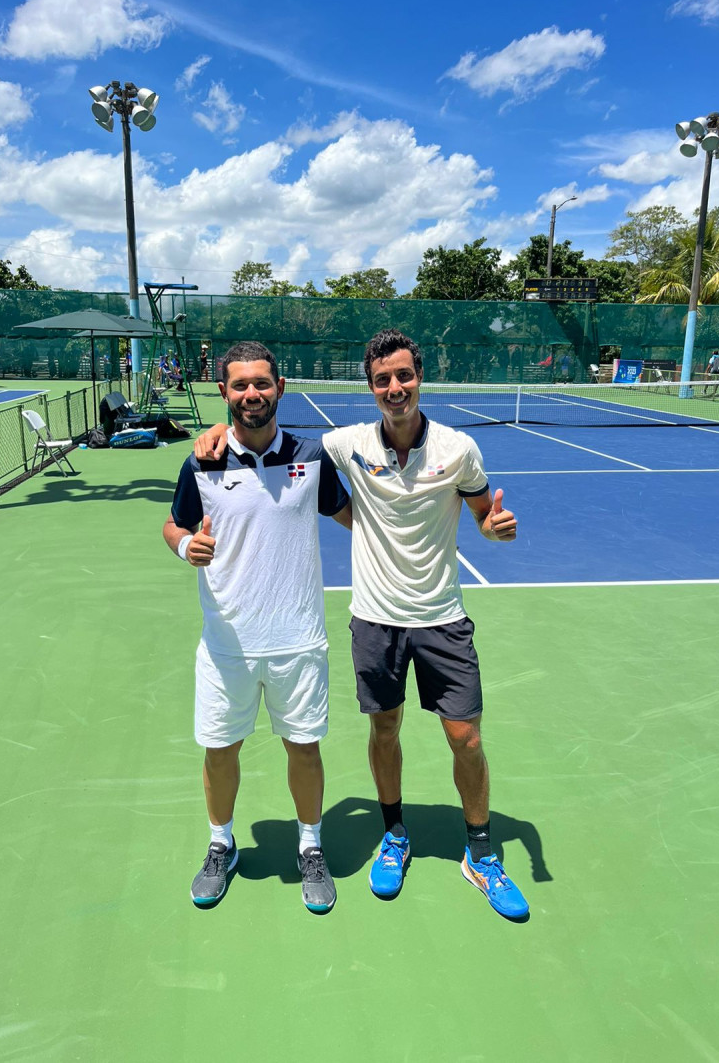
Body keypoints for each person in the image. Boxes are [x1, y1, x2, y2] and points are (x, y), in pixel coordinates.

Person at [197, 329, 529, 919]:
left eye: (403, 376)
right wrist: (218, 430)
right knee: (385, 731)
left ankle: (480, 852)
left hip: (442, 617)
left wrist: (494, 528)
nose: (394, 388)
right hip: (375, 619)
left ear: (419, 377)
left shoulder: (459, 449)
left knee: (467, 738)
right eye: (382, 380)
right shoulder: (346, 443)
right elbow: (268, 431)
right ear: (371, 387)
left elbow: (483, 513)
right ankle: (394, 833)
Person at [164, 340, 352, 914]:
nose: (252, 394)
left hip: (298, 642)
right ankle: (221, 845)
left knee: (305, 749)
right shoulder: (202, 462)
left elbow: (355, 518)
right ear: (223, 391)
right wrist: (186, 547)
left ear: (280, 387)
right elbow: (174, 525)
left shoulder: (312, 456)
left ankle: (310, 847)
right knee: (220, 751)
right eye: (241, 384)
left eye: (262, 383)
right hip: (227, 645)